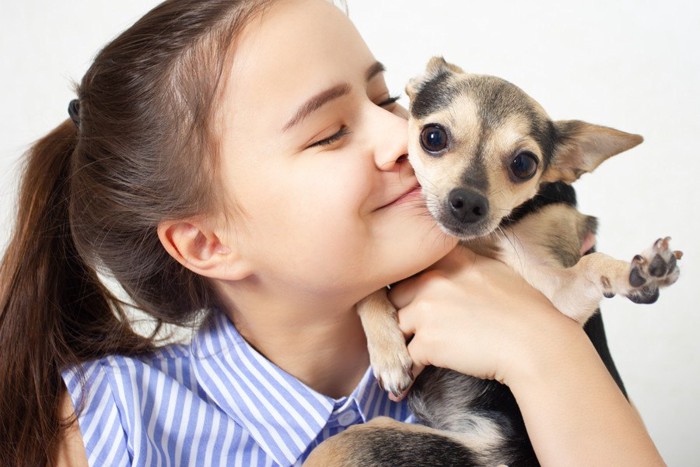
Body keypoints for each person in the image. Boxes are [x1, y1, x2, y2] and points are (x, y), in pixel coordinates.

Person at [0, 0, 664, 465]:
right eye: (329, 133)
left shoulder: (523, 345)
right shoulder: (106, 427)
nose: (400, 138)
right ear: (208, 242)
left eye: (384, 100)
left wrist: (547, 352)